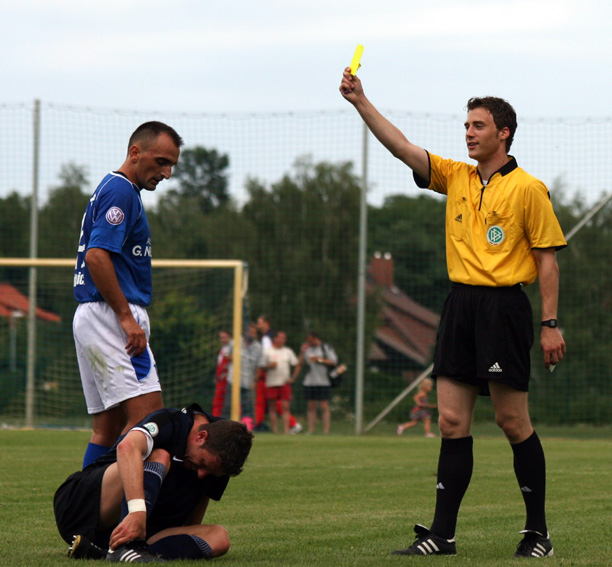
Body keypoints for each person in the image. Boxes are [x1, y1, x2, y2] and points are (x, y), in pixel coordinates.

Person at [340, 69, 567, 558]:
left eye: (478, 125)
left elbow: (547, 260)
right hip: (459, 306)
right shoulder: (456, 176)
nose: (468, 132)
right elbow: (401, 147)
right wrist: (361, 102)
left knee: (511, 421)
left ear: (503, 133)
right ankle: (442, 536)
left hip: (504, 307)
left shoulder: (529, 188)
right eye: (466, 125)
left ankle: (538, 534)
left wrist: (550, 324)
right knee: (449, 421)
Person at [73, 121, 183, 468]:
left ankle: (85, 500)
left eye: (171, 165)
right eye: (161, 162)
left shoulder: (118, 189)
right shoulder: (120, 191)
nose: (166, 173)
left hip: (95, 314)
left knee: (108, 428)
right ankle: (126, 503)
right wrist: (124, 316)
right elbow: (96, 256)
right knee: (149, 420)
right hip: (110, 315)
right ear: (135, 152)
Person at [54, 403, 253, 562]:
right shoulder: (171, 422)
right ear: (201, 437)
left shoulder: (220, 457)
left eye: (210, 473)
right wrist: (137, 511)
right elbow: (127, 447)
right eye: (202, 463)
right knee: (158, 456)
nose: (202, 474)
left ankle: (110, 553)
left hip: (135, 529)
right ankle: (128, 545)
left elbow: (193, 519)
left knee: (219, 538)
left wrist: (186, 540)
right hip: (81, 507)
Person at [254, 315, 302, 433]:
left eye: (260, 323)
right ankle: (273, 428)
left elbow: (297, 364)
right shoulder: (267, 343)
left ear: (266, 323)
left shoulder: (267, 338)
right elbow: (263, 363)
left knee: (280, 405)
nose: (258, 326)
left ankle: (291, 425)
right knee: (271, 405)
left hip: (278, 380)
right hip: (271, 380)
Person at [293, 331, 338, 435]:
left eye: (310, 340)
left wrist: (319, 360)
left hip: (323, 381)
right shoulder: (306, 348)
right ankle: (311, 429)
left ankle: (326, 431)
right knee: (311, 406)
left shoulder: (325, 347)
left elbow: (333, 361)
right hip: (310, 381)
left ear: (315, 338)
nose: (309, 342)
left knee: (324, 406)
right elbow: (300, 363)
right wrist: (302, 352)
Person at [221, 322, 261, 431]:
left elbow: (259, 365)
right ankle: (225, 428)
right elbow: (226, 354)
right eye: (251, 332)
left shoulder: (258, 347)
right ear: (245, 332)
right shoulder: (235, 342)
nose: (253, 335)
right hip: (233, 380)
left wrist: (255, 380)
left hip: (248, 382)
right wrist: (234, 358)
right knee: (228, 405)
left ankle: (246, 429)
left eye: (254, 333)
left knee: (247, 407)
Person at [262, 331, 298, 434]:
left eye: (284, 338)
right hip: (271, 383)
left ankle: (286, 430)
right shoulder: (267, 352)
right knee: (272, 407)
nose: (283, 340)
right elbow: (261, 366)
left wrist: (293, 377)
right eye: (281, 338)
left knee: (285, 407)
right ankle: (275, 430)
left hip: (284, 383)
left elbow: (296, 364)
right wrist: (269, 366)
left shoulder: (287, 351)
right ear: (275, 339)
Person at [212, 330, 232, 417]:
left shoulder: (232, 349)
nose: (223, 339)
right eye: (221, 338)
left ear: (229, 337)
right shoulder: (222, 350)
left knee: (230, 402)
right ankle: (215, 419)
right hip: (221, 380)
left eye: (225, 337)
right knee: (217, 402)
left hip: (228, 379)